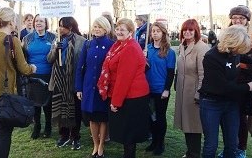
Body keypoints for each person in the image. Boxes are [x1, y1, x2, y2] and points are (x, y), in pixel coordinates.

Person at [198, 25, 252, 158]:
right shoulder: (211, 57)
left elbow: (242, 56)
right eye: (238, 49)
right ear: (231, 43)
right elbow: (222, 86)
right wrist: (247, 87)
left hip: (231, 103)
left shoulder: (235, 52)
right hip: (211, 103)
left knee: (233, 142)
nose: (239, 52)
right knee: (211, 144)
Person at [0, 7, 36, 158]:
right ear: (10, 21)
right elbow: (24, 68)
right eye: (14, 20)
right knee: (4, 131)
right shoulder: (12, 40)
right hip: (4, 94)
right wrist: (33, 67)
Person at [98, 18, 150, 158]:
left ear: (131, 32)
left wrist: (116, 101)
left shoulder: (130, 48)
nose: (119, 32)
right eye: (117, 29)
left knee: (129, 134)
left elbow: (124, 79)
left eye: (123, 29)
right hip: (125, 95)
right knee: (127, 133)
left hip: (132, 97)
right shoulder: (119, 45)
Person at [75, 16, 114, 158]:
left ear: (106, 29)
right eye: (95, 26)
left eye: (100, 27)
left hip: (104, 87)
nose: (97, 29)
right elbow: (80, 67)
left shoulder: (112, 44)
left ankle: (102, 145)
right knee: (92, 117)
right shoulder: (87, 44)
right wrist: (78, 88)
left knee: (103, 117)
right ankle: (95, 145)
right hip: (89, 86)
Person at [47, 17, 85, 150]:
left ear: (71, 26)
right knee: (60, 109)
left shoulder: (82, 41)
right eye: (59, 26)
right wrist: (55, 49)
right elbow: (49, 59)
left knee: (75, 110)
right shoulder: (56, 39)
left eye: (63, 26)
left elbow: (83, 61)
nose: (60, 28)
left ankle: (75, 136)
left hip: (73, 81)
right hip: (59, 81)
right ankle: (63, 135)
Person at [174, 19, 210, 158]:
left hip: (194, 92)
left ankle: (194, 154)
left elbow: (203, 74)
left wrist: (199, 93)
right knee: (187, 124)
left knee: (194, 125)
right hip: (183, 91)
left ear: (196, 31)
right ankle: (190, 152)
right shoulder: (183, 45)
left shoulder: (201, 48)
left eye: (191, 30)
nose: (187, 32)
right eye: (185, 30)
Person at [22, 14, 56, 139]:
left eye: (41, 21)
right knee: (34, 104)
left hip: (48, 75)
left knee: (47, 104)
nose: (38, 23)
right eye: (36, 21)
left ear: (46, 23)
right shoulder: (27, 38)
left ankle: (48, 126)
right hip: (32, 75)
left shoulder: (53, 37)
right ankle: (37, 127)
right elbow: (23, 55)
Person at [145, 22, 176, 155]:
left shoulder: (169, 51)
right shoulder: (148, 48)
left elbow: (170, 72)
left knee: (160, 117)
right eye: (153, 31)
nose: (155, 33)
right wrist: (142, 58)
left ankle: (160, 143)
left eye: (158, 31)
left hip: (160, 90)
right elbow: (144, 68)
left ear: (163, 33)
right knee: (151, 116)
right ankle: (153, 141)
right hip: (147, 89)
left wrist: (166, 89)